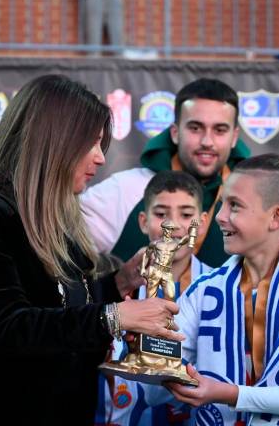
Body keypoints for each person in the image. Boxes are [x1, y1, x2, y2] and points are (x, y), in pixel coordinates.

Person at [0, 75, 183, 425]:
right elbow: (10, 326)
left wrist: (119, 284)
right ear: (54, 142)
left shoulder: (59, 218)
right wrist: (114, 316)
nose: (100, 158)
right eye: (92, 143)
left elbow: (59, 306)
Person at [161, 154, 279, 425]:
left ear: (275, 217)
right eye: (222, 204)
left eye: (235, 206)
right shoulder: (205, 289)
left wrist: (224, 393)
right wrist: (145, 351)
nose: (220, 217)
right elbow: (155, 391)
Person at [82, 78, 250, 268]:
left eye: (220, 130)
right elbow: (64, 256)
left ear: (234, 137)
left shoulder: (251, 200)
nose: (207, 142)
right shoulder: (124, 190)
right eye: (195, 128)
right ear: (175, 132)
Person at [97, 170, 212, 426]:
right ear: (143, 221)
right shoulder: (121, 286)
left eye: (186, 215)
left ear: (202, 222)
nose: (173, 224)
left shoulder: (218, 288)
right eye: (161, 214)